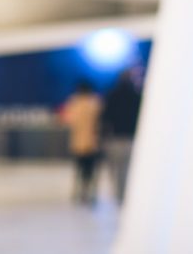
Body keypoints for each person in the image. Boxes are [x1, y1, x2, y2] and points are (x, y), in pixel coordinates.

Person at [100, 65, 144, 204]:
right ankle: (126, 194)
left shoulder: (112, 94)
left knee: (116, 168)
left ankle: (120, 194)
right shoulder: (136, 96)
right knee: (129, 168)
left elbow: (105, 117)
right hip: (131, 137)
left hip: (115, 137)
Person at [60, 78, 102, 205]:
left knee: (79, 169)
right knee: (90, 170)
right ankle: (89, 193)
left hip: (78, 142)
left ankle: (79, 192)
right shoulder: (95, 102)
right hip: (93, 142)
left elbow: (66, 119)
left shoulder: (74, 102)